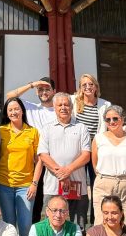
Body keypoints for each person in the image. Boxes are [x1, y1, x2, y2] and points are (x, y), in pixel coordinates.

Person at [0, 96, 42, 236]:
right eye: (10, 110)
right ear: (6, 113)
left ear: (22, 110)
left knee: (25, 226)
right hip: (4, 184)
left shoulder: (33, 132)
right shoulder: (1, 131)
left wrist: (34, 183)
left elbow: (39, 160)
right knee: (9, 225)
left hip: (26, 186)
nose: (13, 112)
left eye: (16, 108)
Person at [37, 92, 91, 228]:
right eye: (59, 105)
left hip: (77, 186)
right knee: (51, 226)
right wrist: (63, 175)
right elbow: (43, 155)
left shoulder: (81, 127)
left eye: (66, 105)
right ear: (54, 108)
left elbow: (86, 155)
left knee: (78, 227)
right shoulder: (47, 128)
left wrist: (68, 170)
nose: (63, 108)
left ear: (71, 107)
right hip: (53, 187)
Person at [91, 104, 126, 228]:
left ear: (123, 119)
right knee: (101, 226)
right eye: (108, 119)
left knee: (125, 226)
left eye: (115, 118)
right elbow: (95, 163)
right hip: (104, 183)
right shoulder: (98, 138)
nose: (111, 122)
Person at [72, 73, 109, 141]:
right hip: (76, 142)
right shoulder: (73, 100)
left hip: (95, 143)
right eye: (84, 85)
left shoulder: (105, 105)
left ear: (96, 87)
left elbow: (110, 125)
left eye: (91, 84)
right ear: (80, 88)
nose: (88, 87)